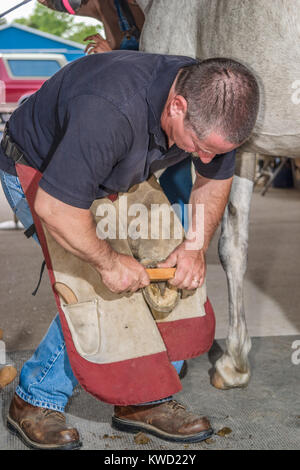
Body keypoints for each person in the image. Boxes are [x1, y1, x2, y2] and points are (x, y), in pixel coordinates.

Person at [0, 51, 259, 450]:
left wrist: (194, 247)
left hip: (118, 171)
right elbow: (56, 208)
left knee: (172, 280)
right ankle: (33, 400)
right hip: (43, 172)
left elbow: (212, 175)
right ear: (177, 105)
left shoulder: (213, 104)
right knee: (100, 291)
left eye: (217, 150)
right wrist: (108, 261)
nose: (206, 157)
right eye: (201, 146)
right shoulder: (110, 110)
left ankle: (143, 400)